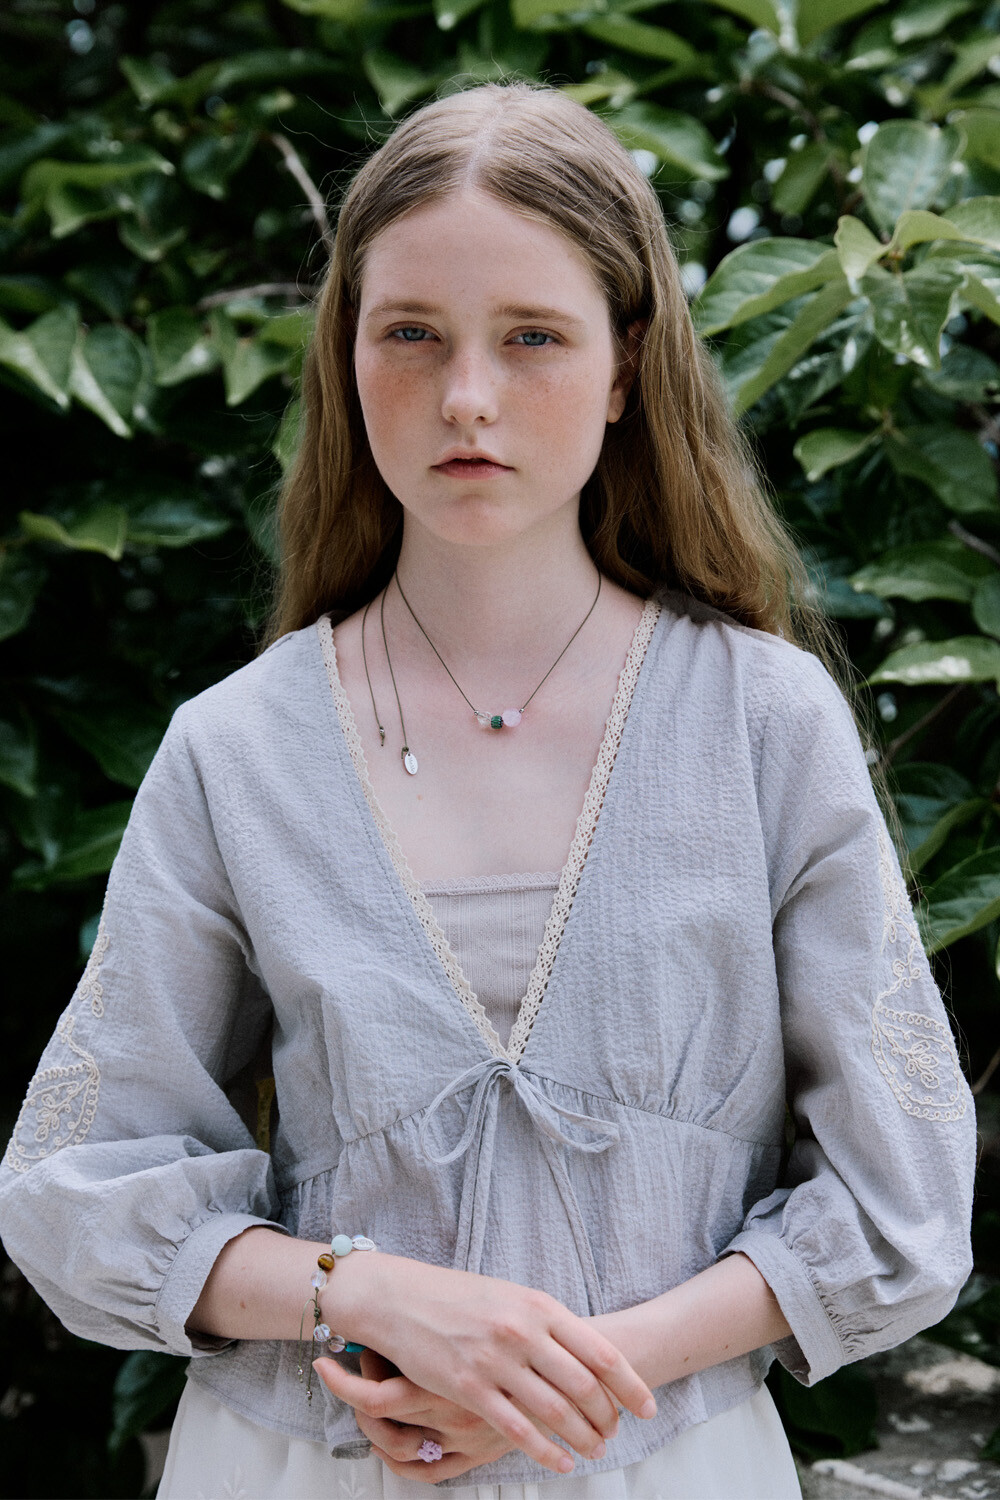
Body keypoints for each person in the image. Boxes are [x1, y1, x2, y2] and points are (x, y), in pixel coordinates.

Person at [0, 81, 976, 1500]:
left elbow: (900, 1200)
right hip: (302, 1469)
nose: (467, 396)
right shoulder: (238, 747)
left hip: (666, 1462)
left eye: (532, 336)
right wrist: (369, 1294)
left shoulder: (766, 724)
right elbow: (77, 1185)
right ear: (347, 357)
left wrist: (565, 1379)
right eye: (410, 333)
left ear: (628, 364)